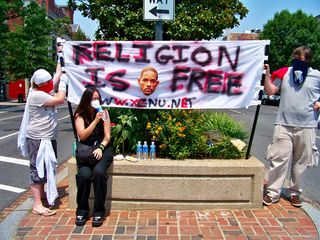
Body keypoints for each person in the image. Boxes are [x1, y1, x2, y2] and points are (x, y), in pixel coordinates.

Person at [263, 46, 320, 208]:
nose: (298, 60)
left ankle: (295, 192)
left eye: (302, 58)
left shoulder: (316, 75)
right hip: (283, 123)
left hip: (307, 125)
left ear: (308, 60)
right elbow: (271, 91)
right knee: (278, 159)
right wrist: (267, 74)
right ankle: (273, 192)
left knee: (301, 162)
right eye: (296, 57)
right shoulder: (284, 73)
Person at [17, 48, 68, 216]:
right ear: (38, 84)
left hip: (48, 137)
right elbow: (60, 99)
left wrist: (61, 55)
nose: (50, 84)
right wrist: (62, 84)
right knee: (37, 170)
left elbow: (57, 74)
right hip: (38, 138)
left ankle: (44, 195)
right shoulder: (37, 95)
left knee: (48, 168)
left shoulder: (44, 90)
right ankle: (37, 204)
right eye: (47, 82)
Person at [74, 87, 113, 227]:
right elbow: (82, 135)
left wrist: (101, 148)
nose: (96, 101)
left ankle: (99, 212)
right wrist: (95, 121)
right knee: (84, 176)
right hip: (85, 150)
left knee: (99, 173)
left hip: (102, 148)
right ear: (86, 100)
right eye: (93, 99)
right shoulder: (80, 114)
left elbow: (107, 136)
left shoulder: (105, 113)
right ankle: (82, 211)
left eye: (97, 98)